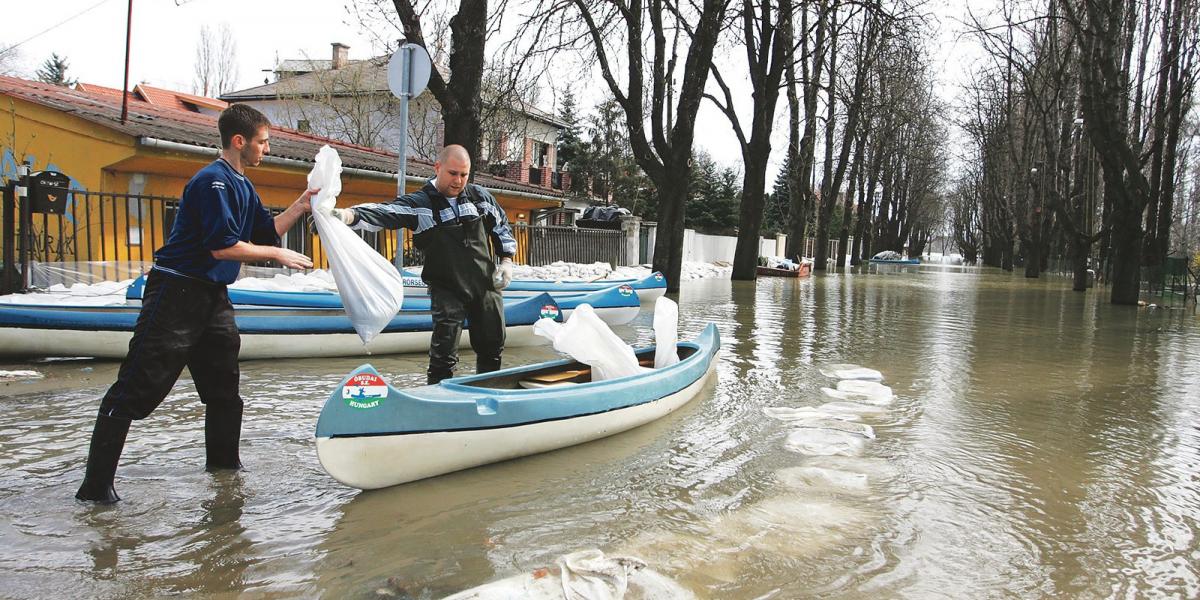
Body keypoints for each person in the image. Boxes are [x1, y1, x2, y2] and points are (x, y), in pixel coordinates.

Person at [75, 104, 316, 503]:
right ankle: (95, 489)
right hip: (176, 294)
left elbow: (264, 232)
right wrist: (278, 257)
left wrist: (300, 206)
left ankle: (224, 472)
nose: (267, 149)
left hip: (213, 299)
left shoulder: (243, 184)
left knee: (225, 389)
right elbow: (223, 248)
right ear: (240, 142)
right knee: (137, 388)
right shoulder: (212, 182)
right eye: (263, 142)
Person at [329, 144, 516, 384]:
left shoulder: (480, 198)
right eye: (452, 173)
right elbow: (386, 211)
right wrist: (348, 216)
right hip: (446, 288)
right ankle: (436, 396)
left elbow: (501, 226)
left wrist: (507, 261)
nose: (458, 181)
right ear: (437, 168)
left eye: (464, 174)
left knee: (492, 344)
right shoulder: (421, 204)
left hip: (485, 285)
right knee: (444, 351)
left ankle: (492, 390)